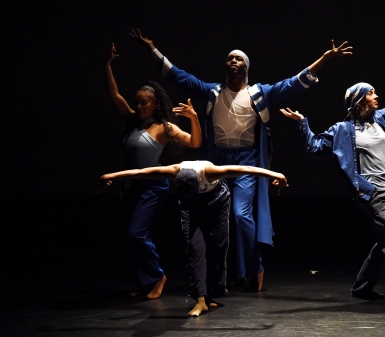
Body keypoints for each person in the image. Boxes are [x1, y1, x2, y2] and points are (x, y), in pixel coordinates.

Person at [129, 29, 352, 291]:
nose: (233, 61)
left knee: (241, 215)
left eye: (238, 59)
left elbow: (294, 83)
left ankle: (255, 266)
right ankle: (221, 275)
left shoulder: (260, 93)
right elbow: (179, 76)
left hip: (246, 161)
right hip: (219, 161)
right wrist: (152, 49)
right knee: (214, 221)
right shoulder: (212, 92)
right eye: (229, 58)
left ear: (246, 66)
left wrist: (324, 58)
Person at [280, 45, 385, 308]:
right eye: (370, 93)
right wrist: (303, 124)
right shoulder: (342, 130)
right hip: (371, 194)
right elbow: (315, 147)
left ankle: (362, 287)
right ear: (359, 99)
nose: (376, 96)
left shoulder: (383, 118)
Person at [98, 161, 288, 316]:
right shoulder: (173, 171)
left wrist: (276, 175)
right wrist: (111, 176)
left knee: (218, 246)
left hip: (217, 202)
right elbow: (141, 171)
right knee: (194, 248)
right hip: (191, 208)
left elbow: (246, 168)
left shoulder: (211, 171)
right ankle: (201, 299)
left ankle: (213, 294)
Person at [104, 43, 202, 299]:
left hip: (153, 188)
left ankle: (158, 276)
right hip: (132, 186)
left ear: (155, 102)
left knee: (136, 233)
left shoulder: (164, 128)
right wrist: (107, 66)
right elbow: (115, 96)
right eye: (136, 102)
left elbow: (194, 142)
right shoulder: (133, 122)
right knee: (128, 236)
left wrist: (193, 117)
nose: (138, 107)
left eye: (143, 103)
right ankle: (145, 282)